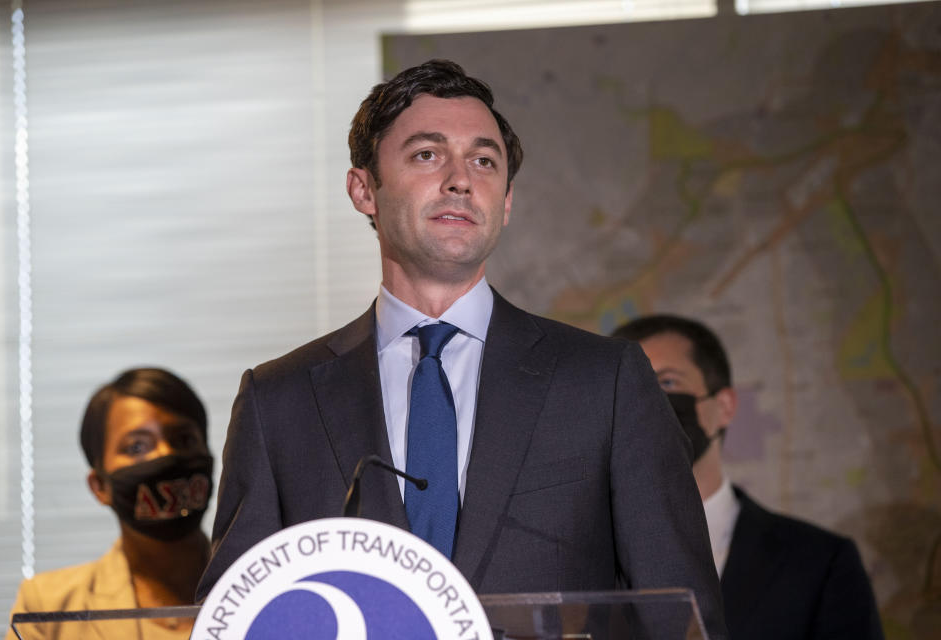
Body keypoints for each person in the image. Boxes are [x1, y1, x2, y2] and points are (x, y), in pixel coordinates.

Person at [197, 59, 727, 638]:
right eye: (427, 155)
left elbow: (678, 614)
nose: (460, 179)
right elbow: (236, 617)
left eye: (483, 160)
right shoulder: (280, 401)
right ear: (363, 188)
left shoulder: (607, 381)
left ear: (505, 201)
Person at [615, 314, 884, 640]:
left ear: (725, 405)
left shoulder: (820, 563)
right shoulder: (579, 552)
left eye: (668, 383)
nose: (647, 404)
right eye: (628, 389)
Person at [5, 367, 214, 640]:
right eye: (137, 447)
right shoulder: (48, 607)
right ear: (100, 486)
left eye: (184, 440)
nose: (167, 454)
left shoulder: (271, 582)